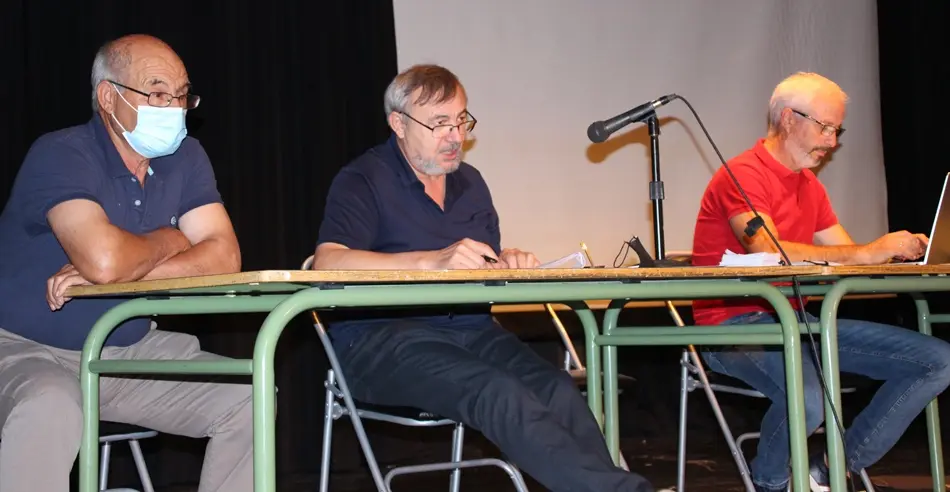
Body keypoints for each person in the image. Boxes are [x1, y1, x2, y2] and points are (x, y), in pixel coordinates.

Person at [313, 64, 662, 492]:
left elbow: (478, 272)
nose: (456, 136)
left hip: (471, 331)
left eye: (461, 120)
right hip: (383, 338)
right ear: (398, 124)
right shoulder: (362, 180)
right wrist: (429, 262)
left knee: (556, 388)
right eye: (439, 123)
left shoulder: (471, 184)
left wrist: (506, 265)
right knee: (498, 391)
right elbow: (328, 262)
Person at [0, 34, 252, 492]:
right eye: (157, 92)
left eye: (181, 94)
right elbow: (104, 258)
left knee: (247, 399)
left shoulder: (186, 157)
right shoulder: (61, 153)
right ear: (108, 97)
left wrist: (127, 274)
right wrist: (170, 238)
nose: (174, 107)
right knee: (50, 405)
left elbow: (224, 255)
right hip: (20, 348)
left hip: (124, 350)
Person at [691, 71, 950, 491]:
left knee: (938, 361)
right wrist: (867, 252)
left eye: (837, 130)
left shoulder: (810, 186)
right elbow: (771, 249)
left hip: (800, 326)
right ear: (788, 119)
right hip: (734, 328)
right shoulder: (741, 174)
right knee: (810, 402)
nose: (832, 142)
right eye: (825, 127)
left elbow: (847, 257)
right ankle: (771, 484)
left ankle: (831, 470)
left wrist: (902, 253)